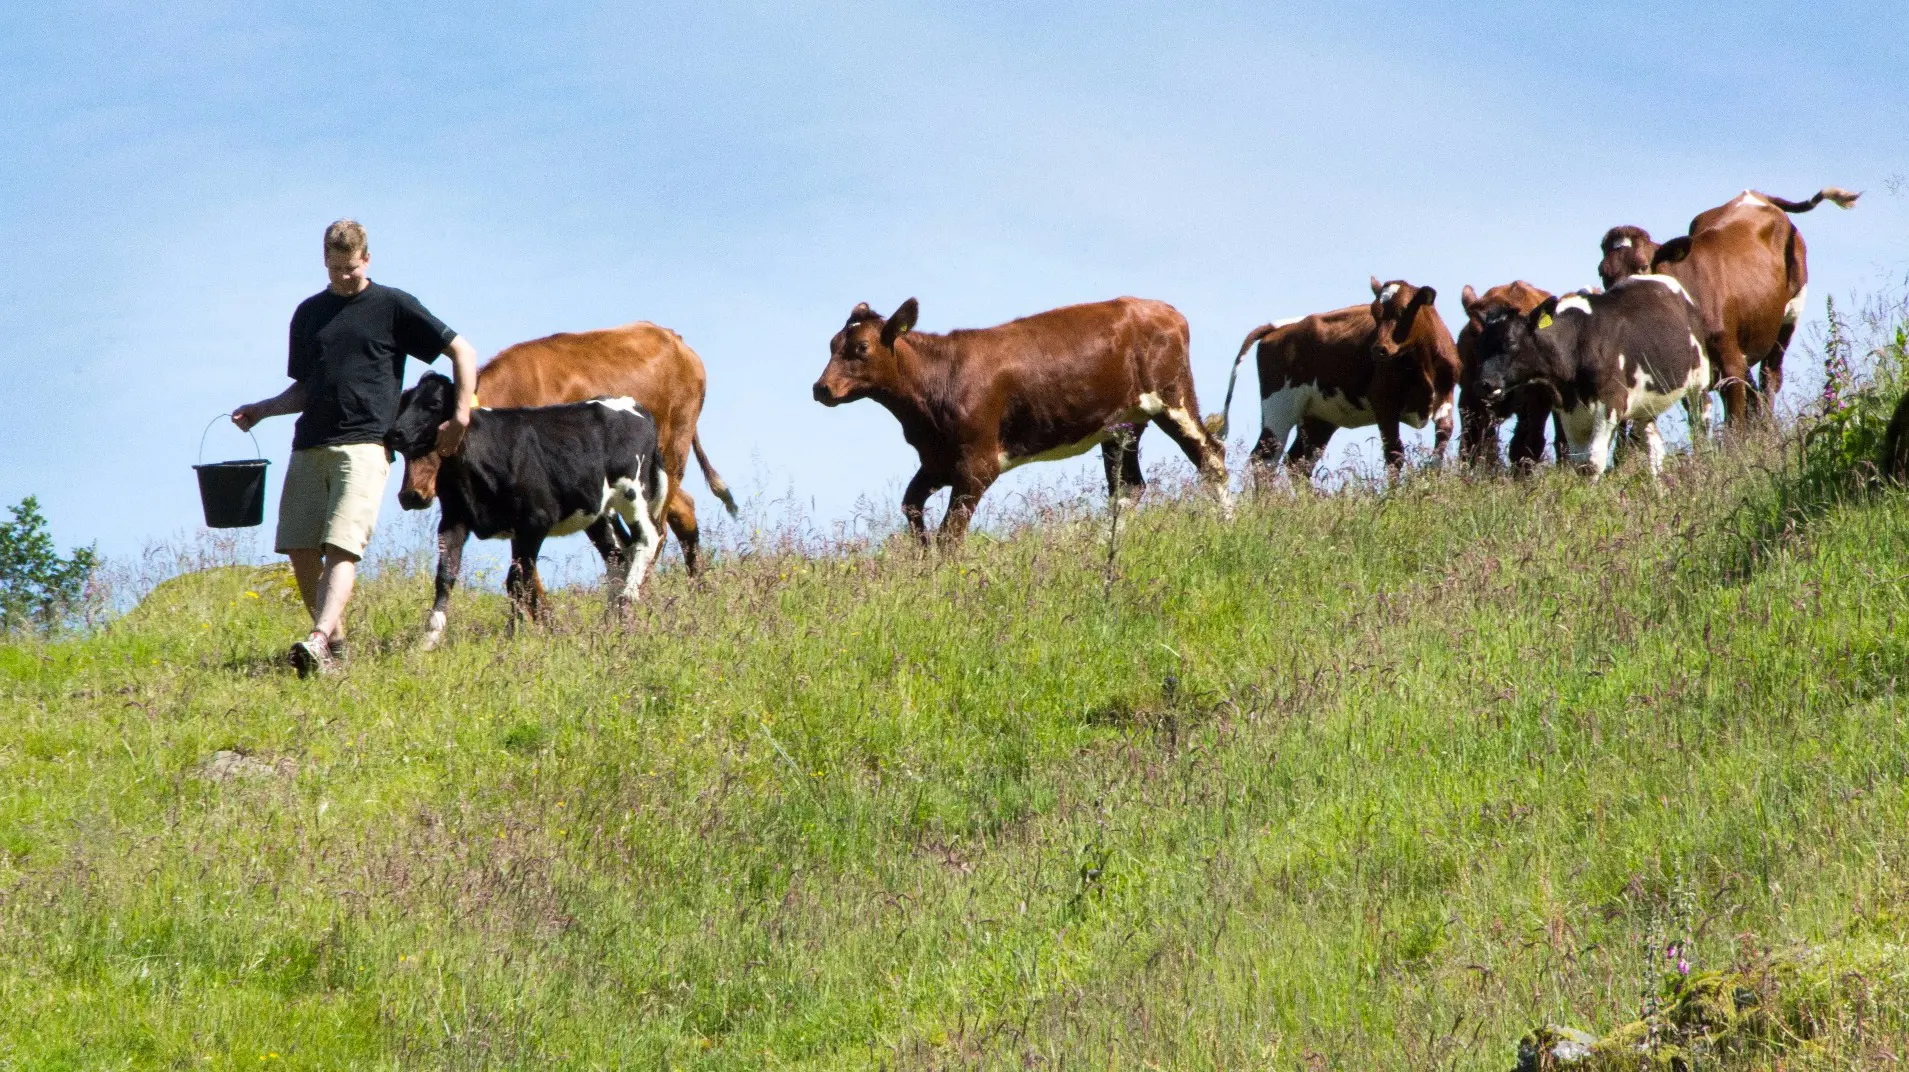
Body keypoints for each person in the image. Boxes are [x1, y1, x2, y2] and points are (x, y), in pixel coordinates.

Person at [232, 219, 477, 676]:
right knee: (301, 549)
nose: (344, 276)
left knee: (341, 546)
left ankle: (318, 638)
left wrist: (460, 415)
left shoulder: (393, 306)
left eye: (351, 267)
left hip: (365, 445)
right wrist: (263, 409)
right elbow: (304, 390)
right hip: (309, 445)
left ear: (367, 259)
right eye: (335, 268)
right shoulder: (308, 315)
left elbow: (463, 350)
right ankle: (335, 648)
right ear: (324, 262)